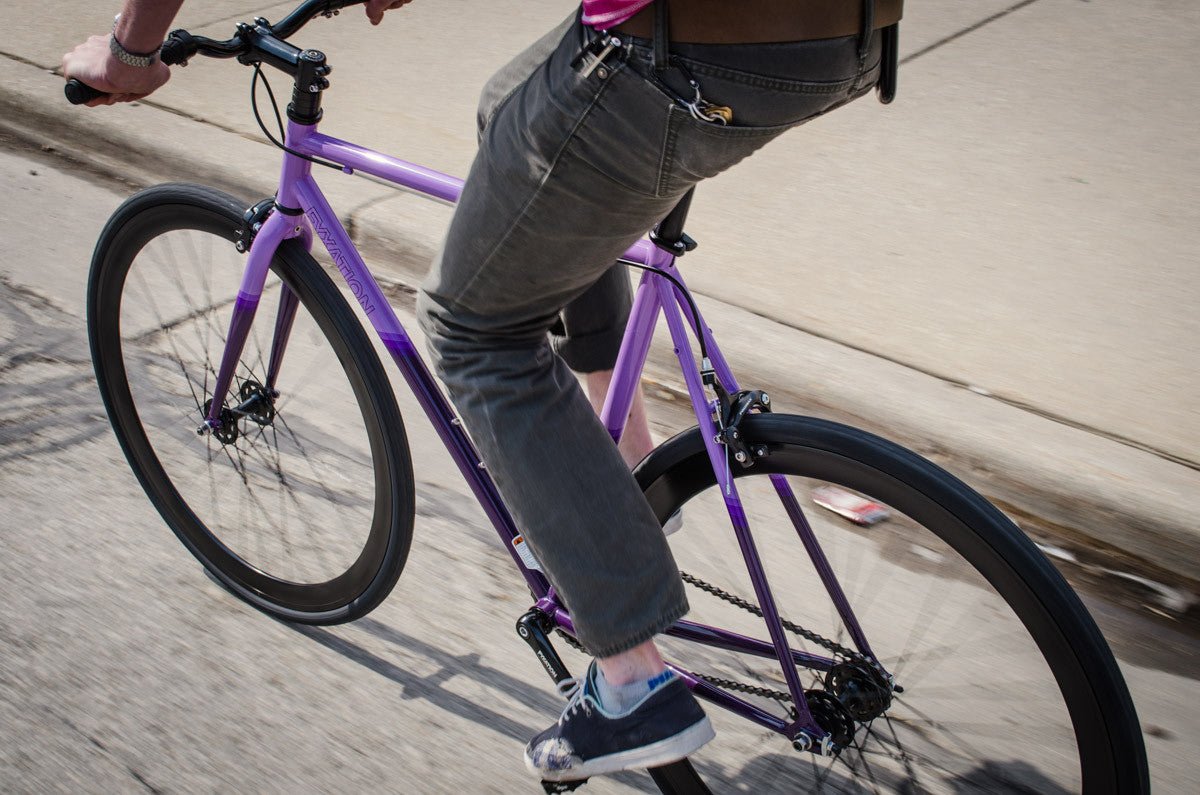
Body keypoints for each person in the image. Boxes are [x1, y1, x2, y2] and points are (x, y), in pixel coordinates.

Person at [65, 0, 901, 782]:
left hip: (684, 46)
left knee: (474, 331)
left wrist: (132, 49)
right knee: (512, 111)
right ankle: (626, 462)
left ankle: (634, 683)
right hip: (842, 30)